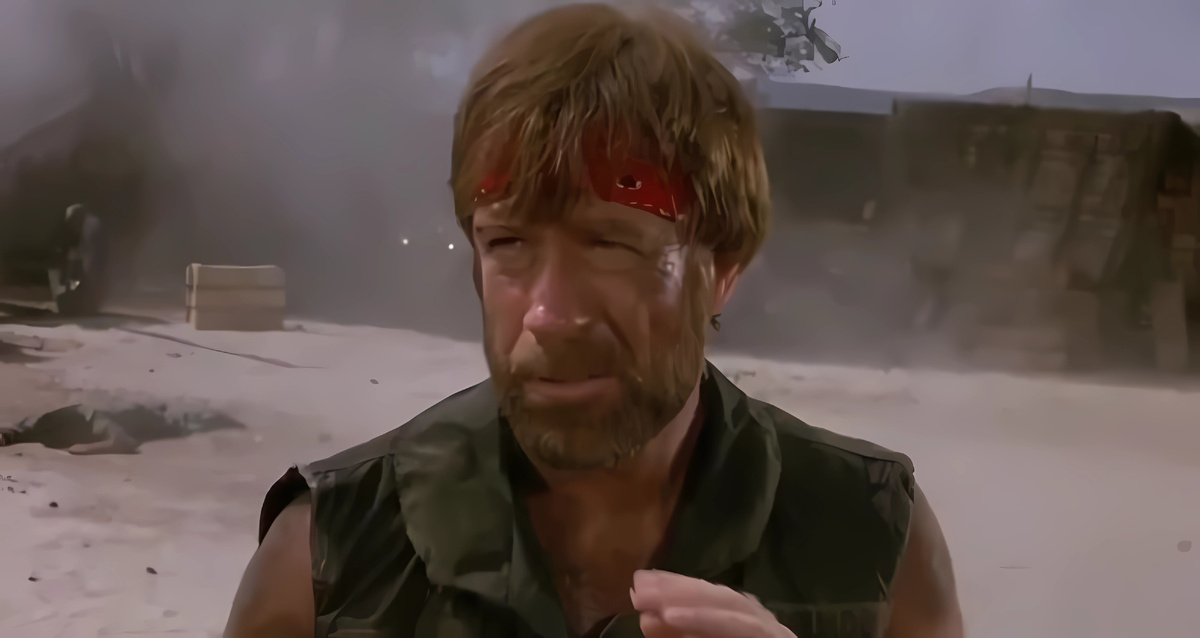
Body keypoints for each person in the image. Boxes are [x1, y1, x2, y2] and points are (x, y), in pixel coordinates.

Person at [223, 4, 964, 637]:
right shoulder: (330, 554)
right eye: (508, 244)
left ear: (723, 270)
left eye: (611, 245)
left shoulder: (871, 539)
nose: (550, 316)